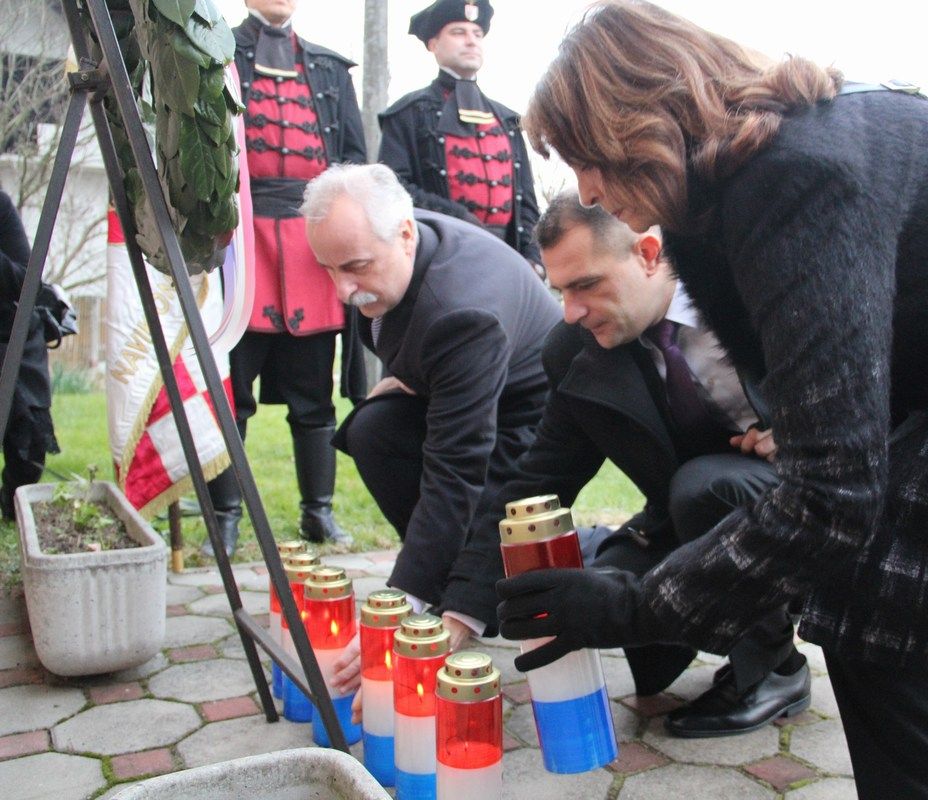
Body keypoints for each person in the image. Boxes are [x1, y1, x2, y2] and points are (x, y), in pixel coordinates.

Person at [496, 3, 928, 798]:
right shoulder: (740, 183)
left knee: (867, 590)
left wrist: (632, 605)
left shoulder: (797, 172)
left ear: (642, 114)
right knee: (901, 609)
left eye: (586, 156)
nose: (585, 187)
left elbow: (833, 498)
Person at [472, 193, 812, 736]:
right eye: (560, 290)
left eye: (585, 285)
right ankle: (622, 556)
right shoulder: (575, 347)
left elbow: (873, 388)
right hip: (680, 510)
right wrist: (460, 609)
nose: (569, 311)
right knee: (637, 648)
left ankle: (776, 667)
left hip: (804, 495)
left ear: (649, 253)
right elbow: (540, 478)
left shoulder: (752, 290)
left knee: (703, 489)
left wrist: (806, 432)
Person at [299, 163, 559, 682]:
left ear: (405, 234)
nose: (343, 290)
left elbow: (455, 471)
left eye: (354, 267)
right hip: (475, 377)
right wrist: (411, 376)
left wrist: (402, 602)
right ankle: (445, 579)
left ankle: (465, 597)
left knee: (470, 496)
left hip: (533, 412)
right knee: (374, 429)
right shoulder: (385, 243)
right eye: (328, 269)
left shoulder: (461, 313)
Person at [205, 0, 367, 556]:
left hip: (310, 254)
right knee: (230, 396)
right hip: (238, 251)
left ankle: (317, 514)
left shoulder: (328, 69)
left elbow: (353, 163)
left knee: (314, 397)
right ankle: (224, 517)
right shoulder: (211, 49)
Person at [378, 0, 542, 271]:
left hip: (506, 262)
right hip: (437, 261)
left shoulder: (507, 120)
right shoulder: (407, 114)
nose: (471, 41)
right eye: (458, 32)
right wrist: (458, 218)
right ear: (433, 44)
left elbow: (526, 201)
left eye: (477, 34)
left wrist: (534, 259)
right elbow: (392, 189)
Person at [0, 189, 58, 520]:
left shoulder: (1, 206)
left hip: (12, 335)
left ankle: (11, 504)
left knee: (30, 447)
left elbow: (27, 279)